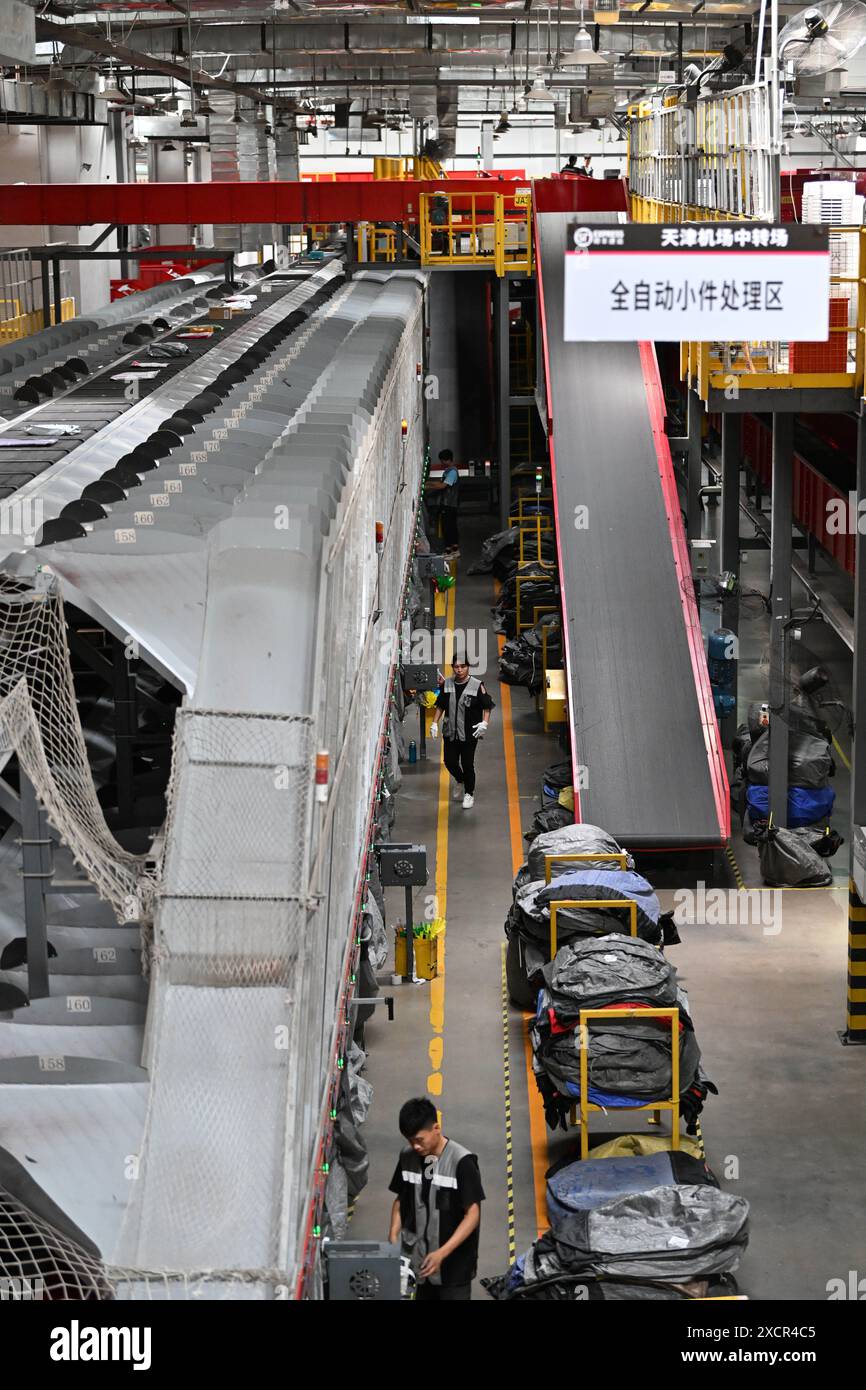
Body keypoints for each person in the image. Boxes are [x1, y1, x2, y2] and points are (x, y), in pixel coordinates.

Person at [388, 1096, 485, 1302]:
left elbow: (472, 1215)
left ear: (436, 1128)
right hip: (418, 1264)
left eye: (419, 1140)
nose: (415, 1146)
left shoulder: (462, 1162)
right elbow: (400, 1200)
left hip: (454, 1268)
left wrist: (442, 1253)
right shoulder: (407, 1157)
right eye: (410, 1140)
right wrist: (393, 1235)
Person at [429, 655, 494, 809]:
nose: (459, 670)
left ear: (468, 667)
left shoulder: (477, 685)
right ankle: (461, 780)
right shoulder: (448, 684)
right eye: (456, 667)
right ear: (453, 667)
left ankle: (469, 794)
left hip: (469, 733)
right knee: (449, 762)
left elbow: (487, 706)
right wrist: (434, 723)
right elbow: (441, 705)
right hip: (451, 732)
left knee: (467, 764)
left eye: (463, 666)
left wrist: (484, 723)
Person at [426, 449, 461, 557]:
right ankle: (453, 549)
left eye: (442, 461)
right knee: (449, 527)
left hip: (449, 504)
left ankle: (450, 551)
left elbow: (442, 486)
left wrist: (426, 486)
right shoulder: (449, 471)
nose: (441, 463)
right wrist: (429, 484)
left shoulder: (452, 472)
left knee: (448, 528)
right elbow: (441, 483)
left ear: (447, 460)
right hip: (447, 504)